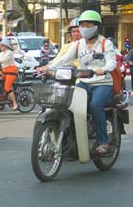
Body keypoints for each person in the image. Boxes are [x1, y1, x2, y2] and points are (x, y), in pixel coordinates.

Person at [47, 10, 117, 155]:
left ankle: (103, 141)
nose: (84, 28)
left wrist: (102, 70)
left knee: (95, 105)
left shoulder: (106, 43)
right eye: (82, 25)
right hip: (84, 82)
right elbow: (64, 59)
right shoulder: (79, 44)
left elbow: (112, 64)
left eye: (88, 25)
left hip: (102, 83)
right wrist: (47, 67)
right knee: (67, 103)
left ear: (96, 26)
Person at [0, 38, 21, 111]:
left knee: (7, 87)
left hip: (11, 72)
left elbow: (3, 60)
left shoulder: (9, 52)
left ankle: (15, 103)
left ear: (6, 46)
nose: (0, 47)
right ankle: (2, 97)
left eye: (2, 45)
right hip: (4, 72)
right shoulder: (2, 53)